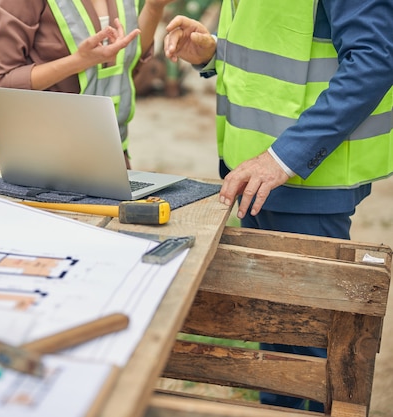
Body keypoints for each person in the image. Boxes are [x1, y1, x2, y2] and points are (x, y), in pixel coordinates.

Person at [163, 0, 393, 412]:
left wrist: (283, 157)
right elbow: (279, 42)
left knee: (304, 363)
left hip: (306, 182)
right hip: (262, 179)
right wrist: (214, 51)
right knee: (277, 345)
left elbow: (374, 59)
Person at [0, 0, 175, 176]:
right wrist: (79, 61)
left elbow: (129, 68)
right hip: (34, 166)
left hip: (109, 164)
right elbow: (1, 84)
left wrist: (154, 7)